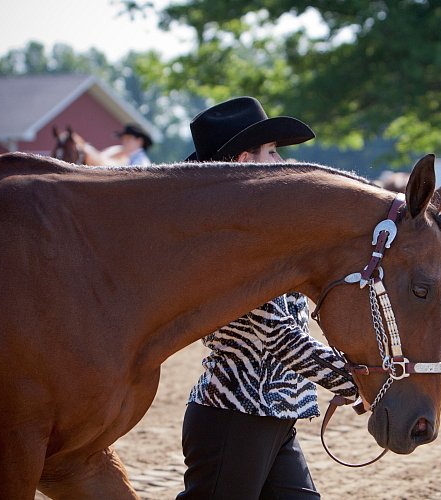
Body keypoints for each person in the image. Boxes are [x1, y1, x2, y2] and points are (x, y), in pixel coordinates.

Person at [177, 97, 359, 499]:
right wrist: (357, 380)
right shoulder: (231, 249)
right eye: (272, 151)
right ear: (245, 160)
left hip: (271, 414)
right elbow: (278, 337)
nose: (283, 161)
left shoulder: (259, 238)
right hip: (234, 416)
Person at [81, 123, 153, 166]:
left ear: (139, 141)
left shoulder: (141, 163)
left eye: (128, 139)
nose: (124, 142)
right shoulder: (131, 160)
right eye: (123, 139)